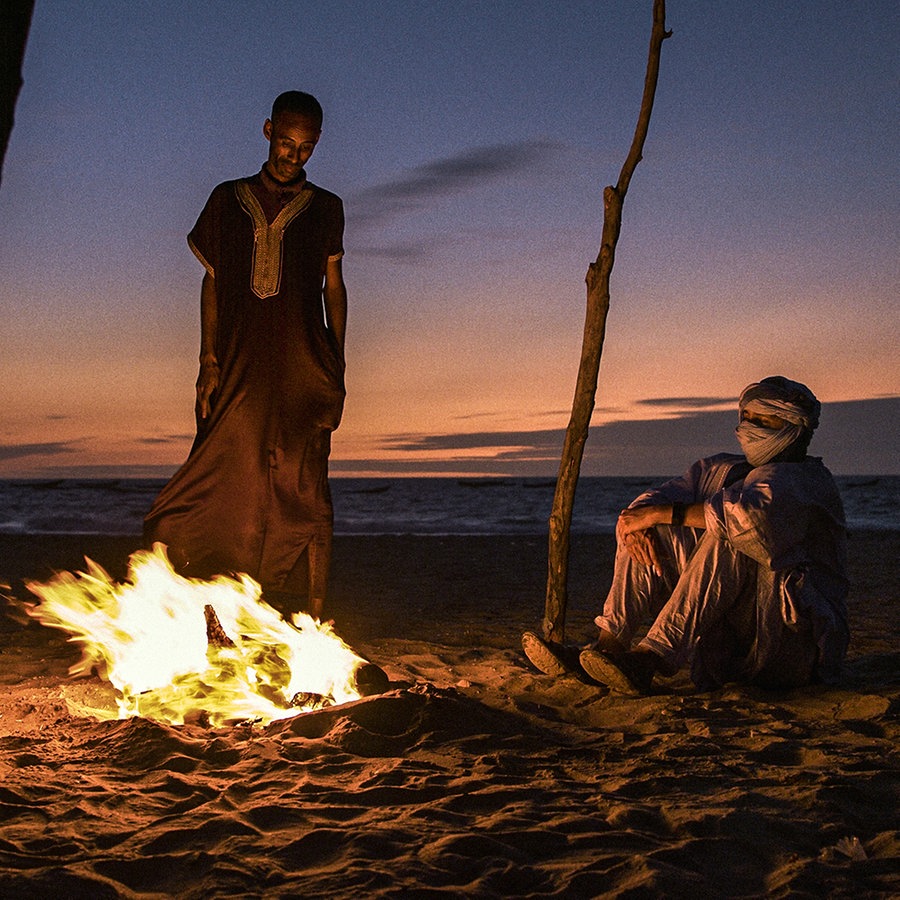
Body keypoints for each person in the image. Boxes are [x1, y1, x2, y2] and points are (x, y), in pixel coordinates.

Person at [144, 91, 347, 619]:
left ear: (316, 144)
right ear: (267, 131)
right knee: (219, 470)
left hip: (304, 363)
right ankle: (202, 593)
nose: (294, 156)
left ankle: (298, 610)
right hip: (238, 361)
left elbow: (334, 287)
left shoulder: (327, 207)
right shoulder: (225, 198)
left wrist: (336, 361)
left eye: (305, 148)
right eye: (286, 143)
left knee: (299, 480)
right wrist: (207, 359)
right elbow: (211, 283)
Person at [523, 376, 850, 695]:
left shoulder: (808, 482)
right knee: (645, 526)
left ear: (792, 430)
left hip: (786, 642)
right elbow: (651, 501)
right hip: (725, 640)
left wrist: (658, 514)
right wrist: (640, 522)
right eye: (746, 418)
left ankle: (650, 659)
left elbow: (749, 520)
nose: (748, 428)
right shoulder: (719, 469)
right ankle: (609, 646)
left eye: (762, 421)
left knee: (726, 531)